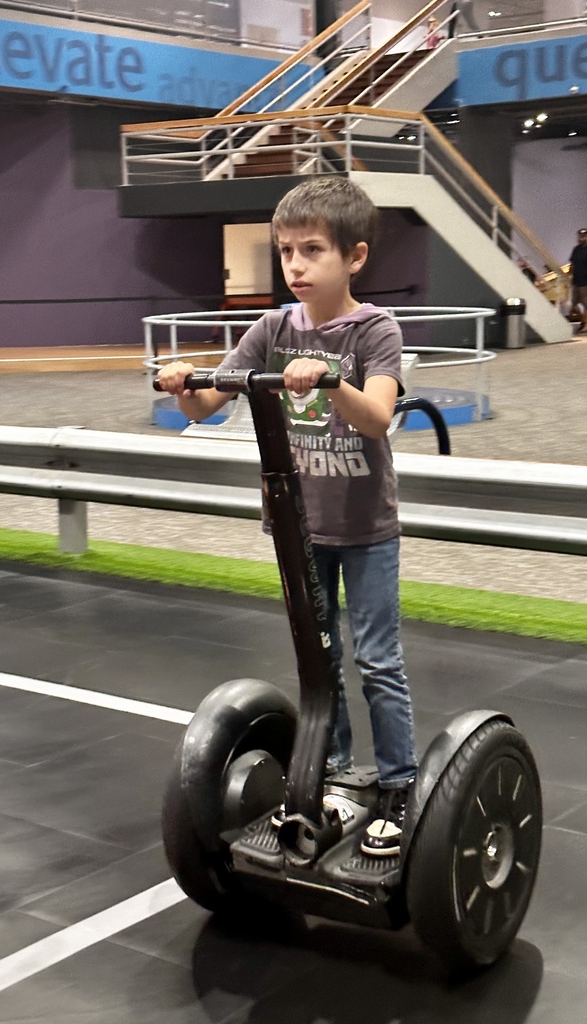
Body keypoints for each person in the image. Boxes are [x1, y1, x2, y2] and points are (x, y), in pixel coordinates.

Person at [157, 177, 417, 859]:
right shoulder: (271, 328)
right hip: (299, 526)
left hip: (365, 530)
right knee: (318, 656)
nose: (296, 266)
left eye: (312, 251)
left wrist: (331, 380)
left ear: (354, 257)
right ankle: (331, 774)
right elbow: (207, 406)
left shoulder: (374, 330)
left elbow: (379, 417)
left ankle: (397, 789)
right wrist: (187, 383)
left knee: (378, 660)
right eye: (286, 252)